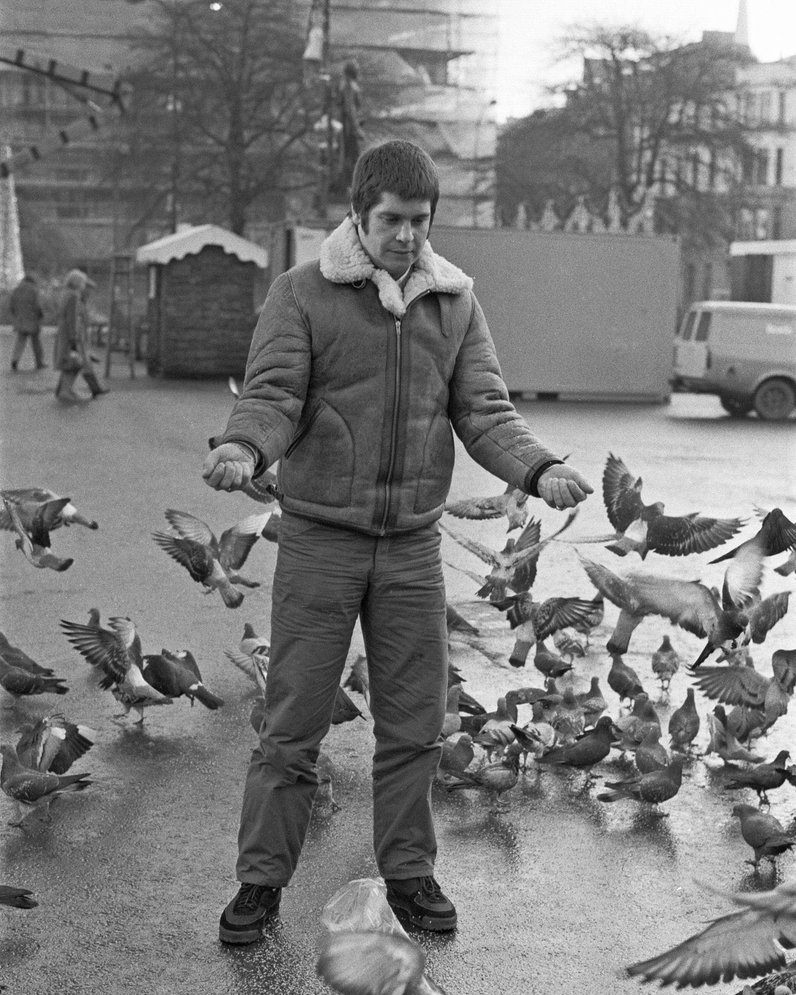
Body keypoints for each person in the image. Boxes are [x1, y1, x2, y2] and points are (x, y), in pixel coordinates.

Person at [202, 139, 592, 946]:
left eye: (420, 222)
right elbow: (273, 395)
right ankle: (260, 883)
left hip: (411, 546)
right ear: (358, 214)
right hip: (320, 540)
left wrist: (541, 468)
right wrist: (244, 448)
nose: (408, 237)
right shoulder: (302, 294)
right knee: (293, 726)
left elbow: (485, 412)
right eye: (393, 221)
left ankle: (410, 871)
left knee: (416, 724)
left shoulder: (455, 303)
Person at [53, 269, 108, 402]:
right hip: (70, 335)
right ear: (78, 282)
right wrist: (74, 337)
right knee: (74, 362)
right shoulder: (73, 296)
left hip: (63, 333)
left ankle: (64, 390)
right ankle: (65, 391)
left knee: (71, 362)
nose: (84, 285)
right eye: (83, 282)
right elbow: (72, 318)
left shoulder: (65, 294)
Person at [9, 273, 45, 371]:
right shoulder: (34, 290)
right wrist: (41, 315)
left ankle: (15, 360)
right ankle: (39, 362)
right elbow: (38, 305)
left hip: (20, 320)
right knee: (36, 342)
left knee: (20, 341)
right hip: (32, 320)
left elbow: (11, 306)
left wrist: (16, 315)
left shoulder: (16, 290)